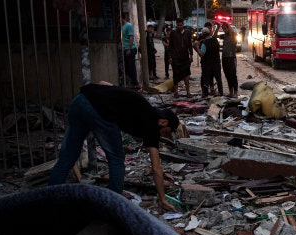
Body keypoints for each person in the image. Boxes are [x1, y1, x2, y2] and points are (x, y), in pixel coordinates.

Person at [49, 82, 179, 214]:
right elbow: (156, 167)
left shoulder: (144, 107)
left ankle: (49, 201)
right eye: (167, 131)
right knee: (116, 159)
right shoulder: (152, 125)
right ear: (163, 122)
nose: (165, 135)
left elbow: (104, 84)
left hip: (80, 101)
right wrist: (162, 198)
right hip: (99, 111)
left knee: (67, 157)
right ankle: (113, 207)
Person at [194, 27, 223, 97]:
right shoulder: (215, 40)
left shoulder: (205, 43)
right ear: (209, 33)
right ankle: (221, 93)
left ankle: (205, 94)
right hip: (216, 63)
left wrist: (197, 46)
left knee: (206, 79)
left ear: (203, 35)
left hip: (207, 64)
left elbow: (201, 54)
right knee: (218, 79)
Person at [168, 18, 194, 98]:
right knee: (176, 75)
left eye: (181, 25)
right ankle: (176, 92)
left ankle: (188, 92)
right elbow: (170, 46)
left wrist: (191, 55)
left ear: (183, 24)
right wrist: (170, 57)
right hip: (175, 58)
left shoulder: (188, 33)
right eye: (178, 25)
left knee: (186, 75)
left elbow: (190, 45)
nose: (180, 27)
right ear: (176, 25)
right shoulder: (173, 33)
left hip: (185, 58)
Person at [121, 14, 140, 89]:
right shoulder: (121, 27)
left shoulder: (128, 25)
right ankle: (133, 82)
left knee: (131, 67)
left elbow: (131, 37)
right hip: (124, 49)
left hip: (130, 49)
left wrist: (129, 49)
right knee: (127, 67)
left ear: (122, 18)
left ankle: (135, 83)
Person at [220, 22, 239, 97]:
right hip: (224, 57)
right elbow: (214, 36)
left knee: (233, 75)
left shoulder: (233, 35)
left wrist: (228, 25)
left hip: (231, 57)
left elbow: (234, 34)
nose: (224, 30)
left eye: (225, 28)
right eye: (223, 29)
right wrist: (218, 27)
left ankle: (235, 92)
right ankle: (230, 92)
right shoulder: (224, 36)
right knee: (227, 75)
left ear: (228, 28)